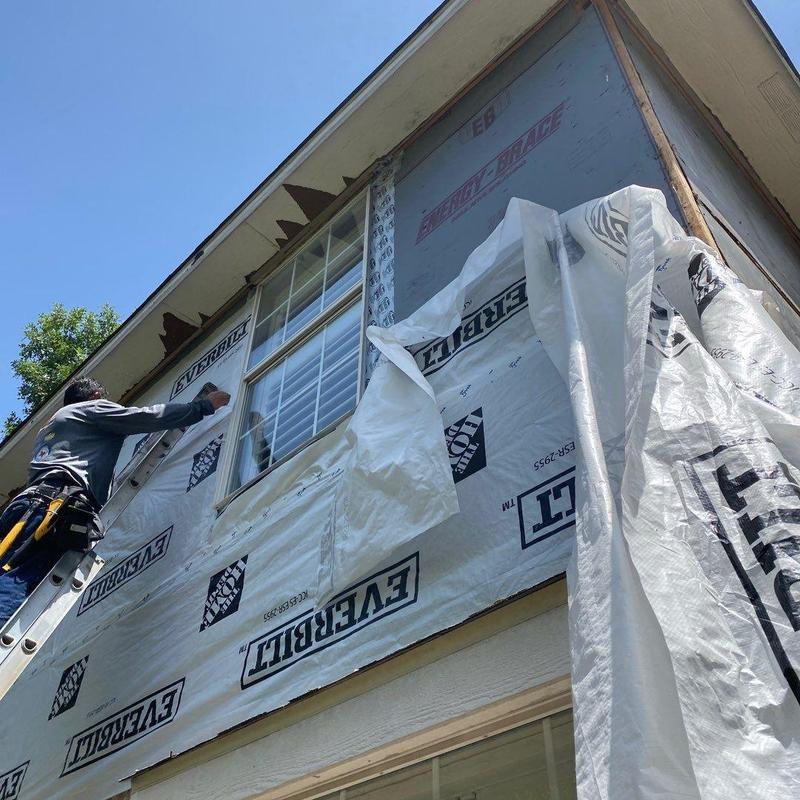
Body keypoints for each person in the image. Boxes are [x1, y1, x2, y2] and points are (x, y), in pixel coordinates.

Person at [0, 376, 230, 626]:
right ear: (96, 396)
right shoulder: (91, 409)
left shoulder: (51, 428)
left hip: (28, 507)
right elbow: (145, 417)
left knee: (9, 570)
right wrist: (203, 407)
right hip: (52, 505)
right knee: (18, 580)